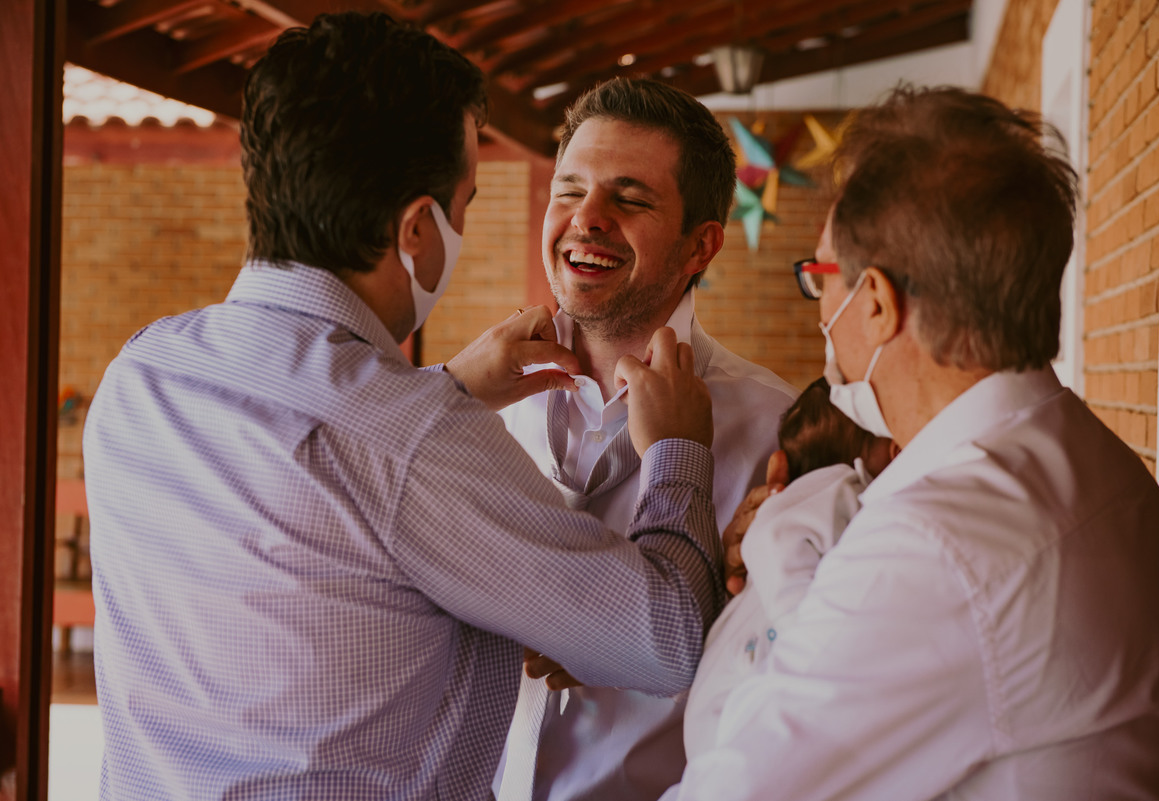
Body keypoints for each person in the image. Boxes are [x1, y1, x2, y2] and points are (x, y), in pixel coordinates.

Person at [82, 13, 726, 800]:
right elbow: (665, 637)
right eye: (465, 205)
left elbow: (325, 501)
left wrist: (442, 392)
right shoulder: (418, 438)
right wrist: (680, 452)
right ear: (418, 230)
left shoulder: (141, 371)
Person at [662, 85, 1159, 800]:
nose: (821, 305)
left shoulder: (936, 546)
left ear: (878, 304)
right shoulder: (1098, 462)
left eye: (821, 276)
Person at [492, 78, 797, 801]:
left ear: (702, 245)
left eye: (629, 198)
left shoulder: (776, 428)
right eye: (569, 190)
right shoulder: (477, 405)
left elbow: (798, 672)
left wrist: (634, 630)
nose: (586, 218)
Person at [683, 377, 894, 758]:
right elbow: (779, 548)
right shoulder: (835, 490)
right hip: (738, 701)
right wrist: (808, 632)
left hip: (725, 714)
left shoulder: (816, 501)